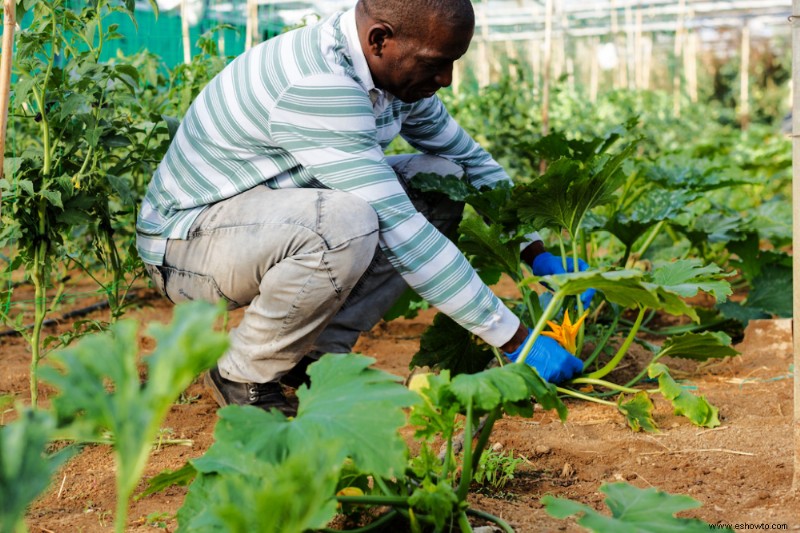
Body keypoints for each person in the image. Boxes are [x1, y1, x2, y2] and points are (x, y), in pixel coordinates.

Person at [136, 0, 588, 416]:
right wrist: (514, 340)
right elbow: (400, 228)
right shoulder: (319, 82)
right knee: (346, 224)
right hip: (186, 245)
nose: (446, 79)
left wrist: (535, 252)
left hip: (262, 222)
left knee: (443, 181)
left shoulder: (394, 81)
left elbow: (469, 162)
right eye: (436, 63)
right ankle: (244, 372)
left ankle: (309, 357)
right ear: (380, 40)